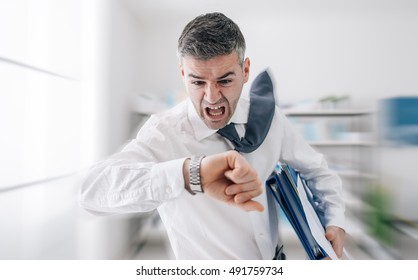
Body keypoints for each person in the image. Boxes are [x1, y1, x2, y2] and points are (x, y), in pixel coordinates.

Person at [79, 12, 345, 260]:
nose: (212, 97)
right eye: (197, 82)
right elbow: (91, 192)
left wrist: (335, 220)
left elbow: (317, 171)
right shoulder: (164, 132)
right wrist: (189, 174)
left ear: (246, 70)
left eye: (225, 81)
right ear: (183, 74)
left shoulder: (270, 117)